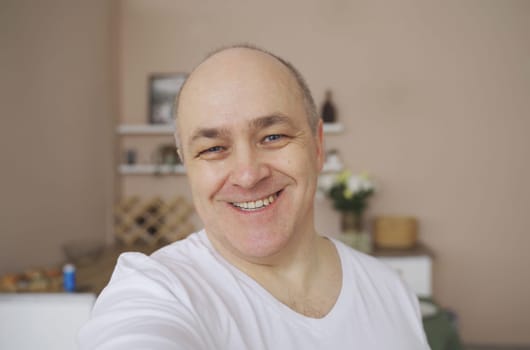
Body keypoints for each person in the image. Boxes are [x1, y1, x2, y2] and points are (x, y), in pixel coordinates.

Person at [79, 45, 430, 349]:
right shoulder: (156, 292)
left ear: (318, 146)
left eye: (273, 137)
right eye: (214, 148)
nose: (248, 175)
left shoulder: (391, 290)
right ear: (186, 165)